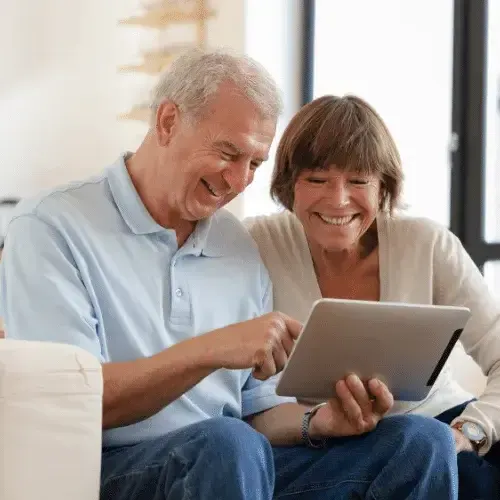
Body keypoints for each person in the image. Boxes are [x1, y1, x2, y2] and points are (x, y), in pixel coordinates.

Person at [0, 50, 459, 500]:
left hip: (236, 464)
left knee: (420, 442)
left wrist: (318, 421)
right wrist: (210, 351)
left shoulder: (236, 244)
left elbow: (257, 412)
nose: (239, 181)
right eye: (228, 153)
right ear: (167, 122)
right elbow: (71, 401)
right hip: (116, 467)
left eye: (255, 164)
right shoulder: (51, 226)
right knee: (226, 443)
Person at [247, 94, 500, 499]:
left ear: (383, 186)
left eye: (359, 181)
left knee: (457, 465)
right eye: (316, 179)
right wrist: (320, 420)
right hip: (316, 439)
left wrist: (471, 430)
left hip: (437, 423)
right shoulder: (255, 245)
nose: (338, 199)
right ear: (288, 183)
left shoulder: (426, 243)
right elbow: (244, 403)